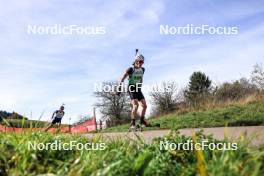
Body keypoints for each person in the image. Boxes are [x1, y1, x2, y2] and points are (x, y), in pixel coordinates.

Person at [119, 49, 148, 131]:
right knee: (135, 106)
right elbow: (122, 77)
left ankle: (142, 121)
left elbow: (141, 77)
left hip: (137, 88)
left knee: (145, 106)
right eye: (139, 61)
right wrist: (120, 85)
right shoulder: (130, 69)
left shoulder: (143, 70)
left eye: (142, 62)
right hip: (131, 87)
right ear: (135, 61)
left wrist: (140, 84)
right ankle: (133, 123)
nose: (140, 63)